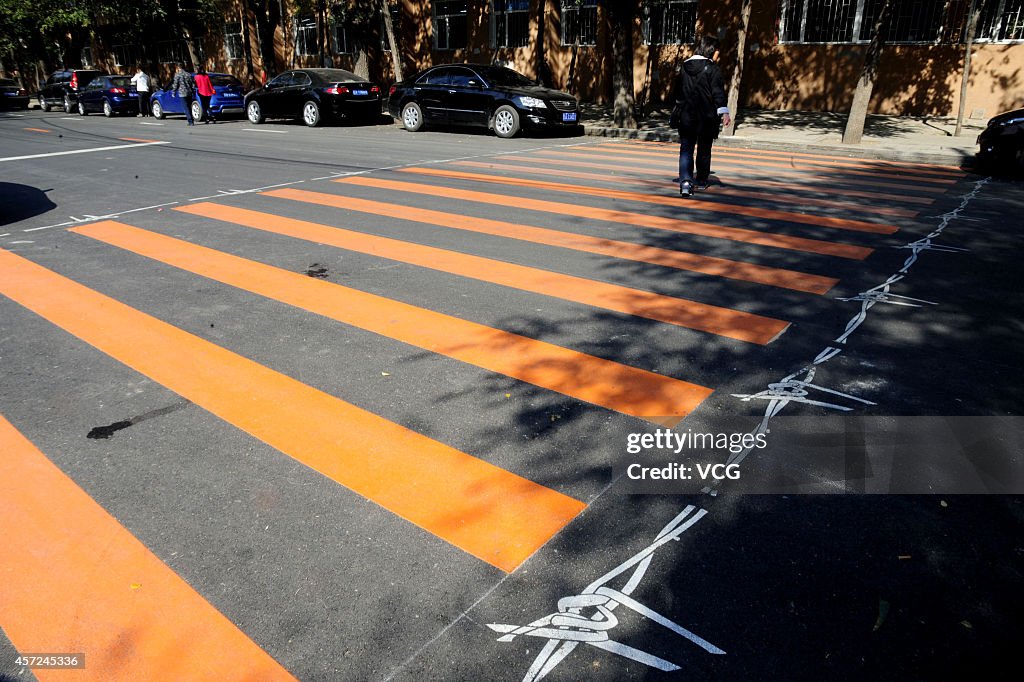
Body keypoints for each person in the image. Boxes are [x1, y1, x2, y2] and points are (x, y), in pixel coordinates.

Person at [673, 36, 732, 198]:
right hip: (706, 117)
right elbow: (718, 92)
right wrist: (724, 112)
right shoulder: (713, 69)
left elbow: (677, 91)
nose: (719, 55)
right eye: (718, 51)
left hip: (686, 116)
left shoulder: (684, 66)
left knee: (686, 150)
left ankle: (685, 181)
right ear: (712, 50)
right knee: (704, 149)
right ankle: (700, 180)